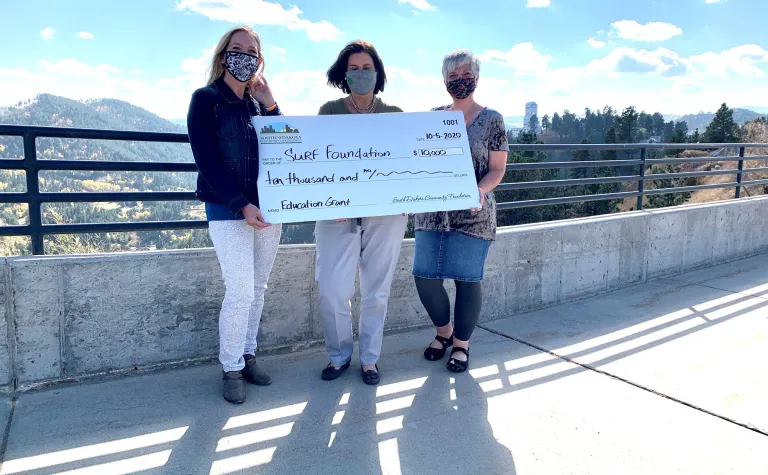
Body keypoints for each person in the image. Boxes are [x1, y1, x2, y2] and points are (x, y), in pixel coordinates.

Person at [186, 26, 283, 404]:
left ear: (259, 61)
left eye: (252, 51)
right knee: (240, 289)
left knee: (257, 289)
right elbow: (207, 161)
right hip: (228, 210)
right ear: (224, 54)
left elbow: (286, 147)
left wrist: (272, 103)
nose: (244, 56)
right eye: (236, 49)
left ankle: (247, 355)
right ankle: (230, 368)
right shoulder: (205, 99)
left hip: (268, 212)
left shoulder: (258, 105)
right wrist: (242, 204)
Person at [315, 40, 408, 386]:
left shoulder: (395, 115)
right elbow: (315, 161)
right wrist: (329, 200)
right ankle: (338, 355)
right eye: (353, 68)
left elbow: (407, 162)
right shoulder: (329, 111)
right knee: (332, 288)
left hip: (387, 216)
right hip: (335, 215)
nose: (360, 73)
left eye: (367, 68)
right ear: (343, 74)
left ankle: (370, 359)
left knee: (377, 289)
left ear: (378, 72)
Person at [413, 49, 508, 373]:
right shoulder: (433, 117)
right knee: (425, 277)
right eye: (452, 77)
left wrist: (478, 191)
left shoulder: (492, 119)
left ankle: (462, 345)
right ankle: (444, 332)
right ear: (444, 81)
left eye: (465, 75)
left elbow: (497, 169)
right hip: (431, 215)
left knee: (467, 280)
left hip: (473, 215)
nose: (459, 81)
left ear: (477, 78)